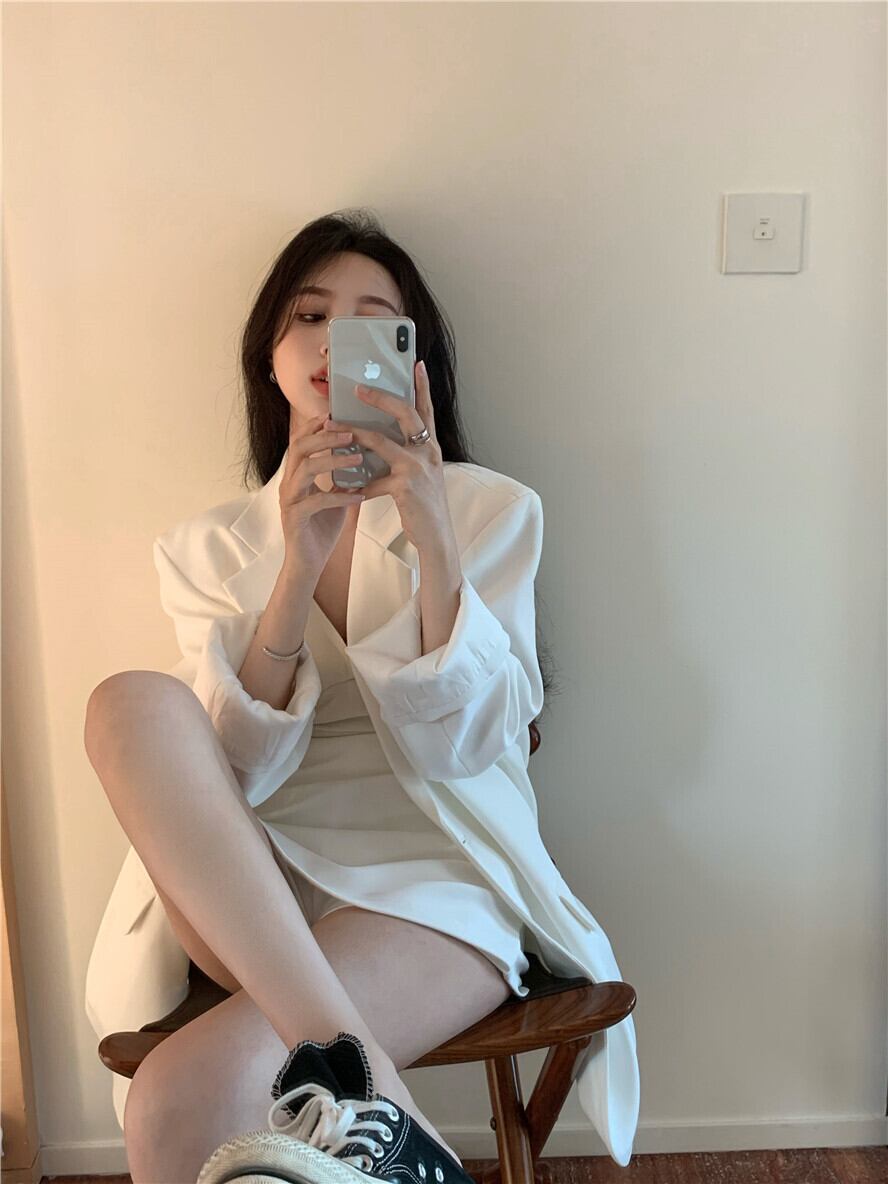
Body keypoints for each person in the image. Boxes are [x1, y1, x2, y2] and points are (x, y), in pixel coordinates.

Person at [84, 209, 564, 1184]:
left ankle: (356, 1088)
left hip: (434, 875)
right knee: (129, 701)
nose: (333, 340)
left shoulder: (490, 510)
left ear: (412, 359)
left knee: (174, 1105)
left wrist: (431, 531)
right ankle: (385, 1105)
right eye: (309, 316)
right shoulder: (205, 547)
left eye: (372, 322)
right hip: (256, 888)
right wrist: (296, 565)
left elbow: (477, 745)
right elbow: (229, 771)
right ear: (269, 356)